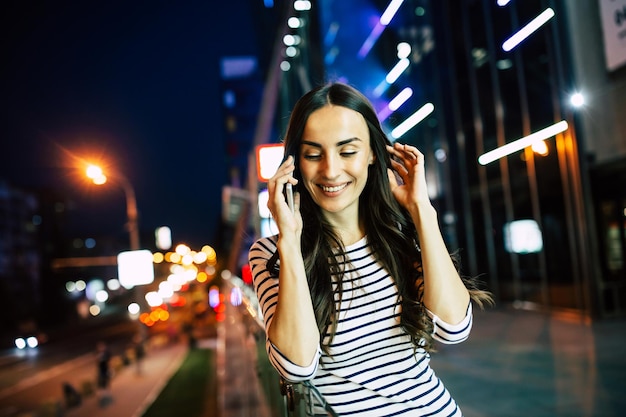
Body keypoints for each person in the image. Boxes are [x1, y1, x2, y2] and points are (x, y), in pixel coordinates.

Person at [248, 82, 493, 416]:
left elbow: (453, 328)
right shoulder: (272, 254)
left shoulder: (400, 234)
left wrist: (422, 210)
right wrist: (289, 239)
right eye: (313, 154)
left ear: (373, 154)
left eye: (347, 151)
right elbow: (296, 366)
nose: (331, 170)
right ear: (293, 163)